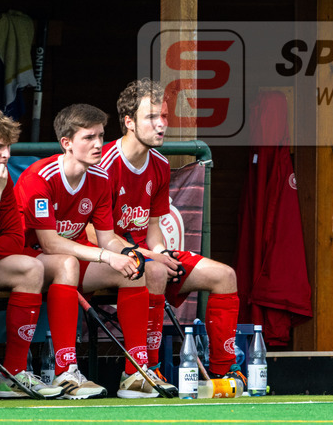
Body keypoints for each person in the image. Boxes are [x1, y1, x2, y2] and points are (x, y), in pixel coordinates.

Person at [14, 104, 163, 398]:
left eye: (101, 136)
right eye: (89, 138)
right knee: (67, 262)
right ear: (67, 143)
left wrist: (132, 254)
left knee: (133, 271)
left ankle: (135, 373)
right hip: (23, 259)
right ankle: (66, 372)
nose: (98, 144)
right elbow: (49, 243)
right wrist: (107, 255)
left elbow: (107, 238)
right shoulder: (39, 177)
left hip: (67, 261)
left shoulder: (100, 178)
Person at [100, 79, 240, 383]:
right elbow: (96, 236)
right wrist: (153, 257)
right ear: (129, 122)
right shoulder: (105, 164)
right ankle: (145, 371)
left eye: (164, 116)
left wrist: (161, 251)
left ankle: (222, 371)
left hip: (147, 255)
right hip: (109, 257)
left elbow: (153, 229)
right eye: (151, 118)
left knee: (225, 276)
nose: (161, 124)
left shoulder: (160, 165)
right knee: (156, 271)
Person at [0, 107, 62, 400]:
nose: (5, 154)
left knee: (30, 268)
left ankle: (13, 374)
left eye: (8, 147)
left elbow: (14, 239)